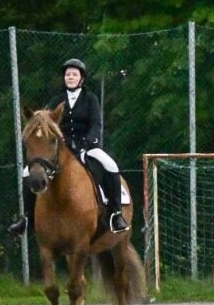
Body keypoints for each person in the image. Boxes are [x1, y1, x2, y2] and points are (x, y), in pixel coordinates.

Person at [8, 58, 130, 235]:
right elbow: (45, 122)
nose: (70, 77)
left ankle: (116, 214)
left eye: (74, 74)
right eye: (67, 74)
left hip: (87, 145)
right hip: (60, 148)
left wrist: (89, 141)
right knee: (27, 172)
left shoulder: (90, 99)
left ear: (81, 78)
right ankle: (26, 218)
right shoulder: (56, 100)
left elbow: (96, 124)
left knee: (110, 165)